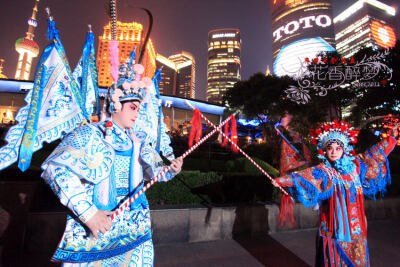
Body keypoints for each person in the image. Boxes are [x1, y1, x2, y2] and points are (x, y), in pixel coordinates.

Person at [41, 61, 183, 266]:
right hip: (98, 228)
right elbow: (55, 170)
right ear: (116, 105)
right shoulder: (90, 133)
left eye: (139, 109)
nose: (137, 114)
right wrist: (88, 213)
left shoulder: (139, 140)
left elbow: (156, 173)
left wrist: (170, 169)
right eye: (133, 108)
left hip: (135, 228)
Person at [273, 120, 399, 267]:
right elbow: (303, 176)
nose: (333, 152)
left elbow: (375, 154)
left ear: (344, 149)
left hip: (356, 226)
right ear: (324, 150)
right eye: (330, 148)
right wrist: (282, 181)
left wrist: (391, 138)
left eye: (338, 148)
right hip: (332, 228)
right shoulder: (324, 170)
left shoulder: (356, 166)